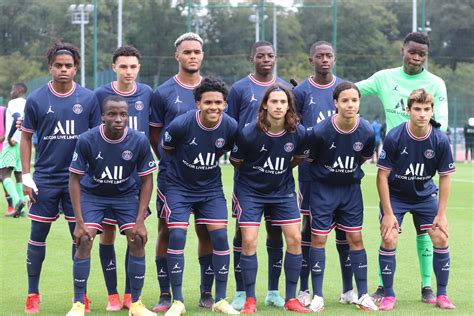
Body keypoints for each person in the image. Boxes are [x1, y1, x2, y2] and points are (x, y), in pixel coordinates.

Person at [356, 31, 448, 303]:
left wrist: (418, 141)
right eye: (412, 51)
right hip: (393, 165)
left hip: (422, 167)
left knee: (429, 233)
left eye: (422, 53)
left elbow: (438, 123)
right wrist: (317, 86)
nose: (417, 57)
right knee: (388, 233)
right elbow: (352, 90)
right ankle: (385, 288)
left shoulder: (436, 83)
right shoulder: (385, 77)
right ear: (403, 50)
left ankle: (428, 287)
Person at [20, 42, 101, 314]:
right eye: (58, 65)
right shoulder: (36, 99)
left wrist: (95, 174)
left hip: (78, 181)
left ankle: (80, 297)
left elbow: (96, 139)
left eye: (68, 65)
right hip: (45, 179)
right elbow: (26, 137)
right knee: (37, 235)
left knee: (81, 238)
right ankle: (33, 294)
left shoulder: (89, 99)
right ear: (50, 68)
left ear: (76, 68)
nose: (63, 70)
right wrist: (26, 176)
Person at [66, 95, 157, 316]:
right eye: (112, 114)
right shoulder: (87, 139)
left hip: (125, 196)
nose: (118, 119)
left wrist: (140, 220)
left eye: (123, 114)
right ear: (103, 117)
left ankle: (136, 304)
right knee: (85, 239)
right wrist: (79, 222)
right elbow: (74, 180)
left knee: (136, 239)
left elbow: (147, 180)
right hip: (93, 195)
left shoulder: (139, 140)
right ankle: (78, 303)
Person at [149, 32, 216, 312]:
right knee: (166, 231)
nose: (192, 56)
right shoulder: (163, 92)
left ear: (202, 55)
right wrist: (169, 160)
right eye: (187, 52)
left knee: (207, 232)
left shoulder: (213, 90)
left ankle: (206, 292)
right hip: (171, 178)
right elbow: (154, 134)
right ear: (177, 55)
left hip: (206, 178)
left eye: (197, 52)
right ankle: (166, 294)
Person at [230, 84, 311, 313]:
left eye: (283, 102)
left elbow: (296, 159)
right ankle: (250, 299)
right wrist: (259, 177)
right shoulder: (248, 133)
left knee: (295, 238)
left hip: (282, 191)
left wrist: (277, 176)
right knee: (249, 241)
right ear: (265, 104)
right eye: (274, 102)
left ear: (289, 106)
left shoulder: (299, 132)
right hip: (250, 191)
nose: (278, 106)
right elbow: (237, 162)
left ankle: (291, 299)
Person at [161, 77, 239, 316]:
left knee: (220, 238)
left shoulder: (230, 126)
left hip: (210, 189)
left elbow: (230, 151)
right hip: (178, 187)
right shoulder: (181, 124)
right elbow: (167, 149)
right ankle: (178, 301)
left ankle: (219, 298)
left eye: (218, 102)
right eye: (208, 102)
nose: (213, 107)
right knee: (176, 235)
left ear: (225, 104)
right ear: (198, 103)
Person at [376, 89, 456, 310]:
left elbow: (445, 178)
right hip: (396, 195)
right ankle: (389, 295)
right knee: (389, 237)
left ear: (432, 111)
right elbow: (382, 176)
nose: (422, 114)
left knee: (440, 237)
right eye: (417, 109)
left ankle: (442, 295)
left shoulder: (439, 139)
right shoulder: (395, 136)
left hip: (425, 195)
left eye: (427, 109)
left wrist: (441, 214)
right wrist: (389, 213)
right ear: (407, 110)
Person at [292, 41, 356, 307]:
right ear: (311, 60)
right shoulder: (302, 91)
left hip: (343, 172)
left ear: (335, 58)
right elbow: (294, 125)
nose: (325, 60)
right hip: (311, 172)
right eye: (320, 56)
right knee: (310, 230)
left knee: (346, 231)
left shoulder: (344, 89)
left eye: (329, 55)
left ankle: (348, 289)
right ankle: (305, 289)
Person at [227, 40, 289, 310]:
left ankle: (274, 291)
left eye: (271, 55)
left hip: (278, 177)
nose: (267, 59)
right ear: (251, 59)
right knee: (244, 234)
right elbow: (230, 126)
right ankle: (242, 292)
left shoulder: (286, 88)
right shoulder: (239, 88)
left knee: (275, 233)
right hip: (248, 175)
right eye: (261, 56)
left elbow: (295, 135)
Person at [305, 82, 378, 312]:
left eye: (354, 100)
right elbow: (311, 160)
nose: (350, 104)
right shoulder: (320, 131)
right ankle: (317, 296)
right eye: (345, 100)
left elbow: (363, 157)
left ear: (359, 103)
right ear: (335, 103)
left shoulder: (366, 130)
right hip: (323, 190)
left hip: (350, 191)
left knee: (355, 238)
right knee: (318, 240)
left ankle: (361, 294)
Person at [94, 45, 153, 311]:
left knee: (134, 235)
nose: (128, 71)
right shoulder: (100, 95)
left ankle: (131, 294)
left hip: (135, 180)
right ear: (114, 66)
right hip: (106, 180)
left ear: (139, 68)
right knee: (106, 236)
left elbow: (154, 132)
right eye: (123, 66)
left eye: (133, 67)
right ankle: (112, 294)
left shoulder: (148, 94)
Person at [1, 83, 27, 217]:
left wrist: (9, 136)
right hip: (23, 143)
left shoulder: (14, 102)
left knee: (4, 175)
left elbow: (17, 117)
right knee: (18, 176)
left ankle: (18, 201)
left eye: (12, 89)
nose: (11, 92)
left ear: (18, 90)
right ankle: (21, 210)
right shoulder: (27, 103)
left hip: (11, 143)